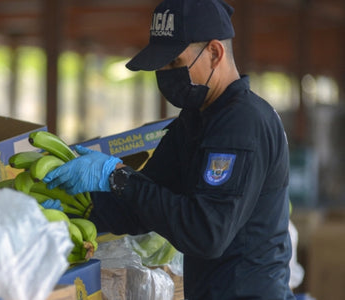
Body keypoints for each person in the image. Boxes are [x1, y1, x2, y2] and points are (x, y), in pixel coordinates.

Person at [43, 0, 295, 299]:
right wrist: (78, 210)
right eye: (161, 66)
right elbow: (143, 207)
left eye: (174, 63)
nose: (166, 74)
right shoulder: (196, 119)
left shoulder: (242, 123)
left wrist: (117, 176)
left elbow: (206, 233)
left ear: (215, 53)